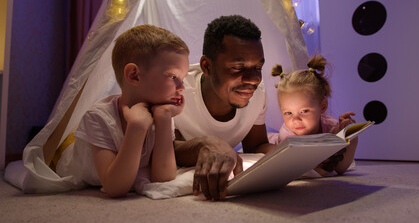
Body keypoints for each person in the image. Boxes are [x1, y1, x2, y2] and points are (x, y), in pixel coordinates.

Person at [55, 25, 190, 197]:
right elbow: (115, 188)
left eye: (183, 79)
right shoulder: (98, 117)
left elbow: (163, 178)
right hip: (71, 157)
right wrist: (137, 127)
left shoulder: (162, 111)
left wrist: (164, 119)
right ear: (134, 75)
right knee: (60, 149)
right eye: (173, 77)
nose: (182, 88)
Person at [173, 15, 276, 200]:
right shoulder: (176, 92)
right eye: (238, 67)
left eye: (258, 68)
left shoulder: (257, 92)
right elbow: (161, 152)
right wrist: (204, 144)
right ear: (207, 66)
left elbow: (256, 146)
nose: (253, 79)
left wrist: (301, 157)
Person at [268, 54, 357, 176]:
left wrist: (346, 132)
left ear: (322, 106)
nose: (295, 120)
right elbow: (307, 170)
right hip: (273, 143)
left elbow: (340, 168)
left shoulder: (330, 127)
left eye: (304, 111)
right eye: (288, 113)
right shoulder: (288, 135)